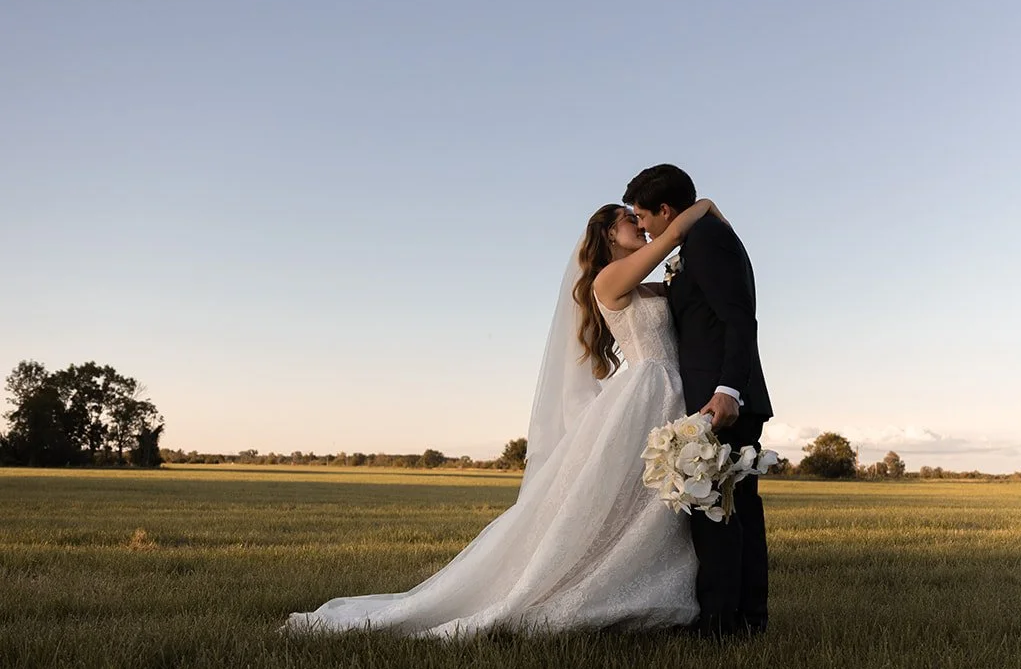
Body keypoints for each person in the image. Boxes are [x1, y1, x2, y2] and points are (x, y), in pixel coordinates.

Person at [284, 196, 723, 638]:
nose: (640, 225)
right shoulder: (610, 278)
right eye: (630, 220)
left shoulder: (647, 283)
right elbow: (670, 237)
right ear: (608, 233)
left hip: (670, 391)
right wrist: (706, 208)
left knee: (645, 502)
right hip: (645, 392)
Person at [624, 163, 772, 640]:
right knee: (732, 511)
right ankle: (744, 621)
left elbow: (738, 319)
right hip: (715, 396)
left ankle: (721, 626)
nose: (643, 226)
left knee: (720, 515)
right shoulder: (698, 238)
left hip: (723, 399)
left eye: (643, 216)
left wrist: (728, 390)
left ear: (666, 210)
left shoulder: (706, 239)